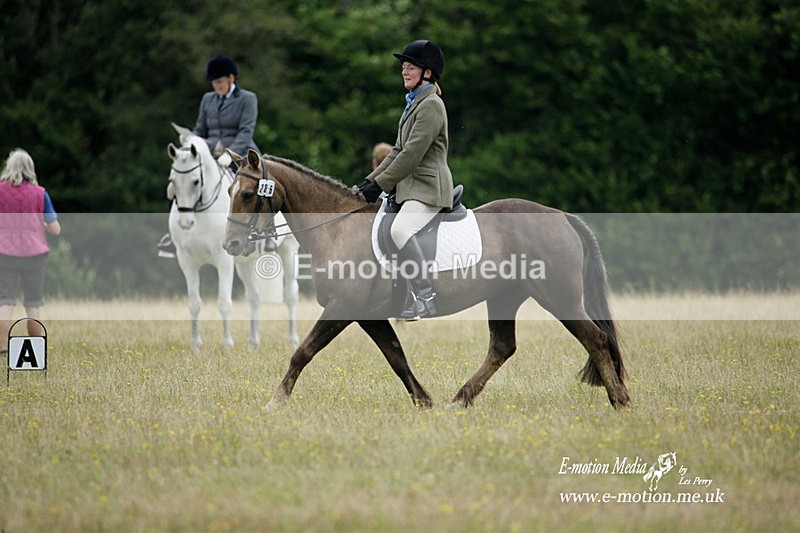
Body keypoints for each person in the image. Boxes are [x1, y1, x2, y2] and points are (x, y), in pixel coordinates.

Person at [358, 40, 453, 320]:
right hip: (411, 188)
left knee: (400, 230)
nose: (404, 71)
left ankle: (426, 297)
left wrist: (381, 185)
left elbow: (411, 155)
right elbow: (397, 151)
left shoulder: (431, 105)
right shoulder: (414, 103)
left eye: (411, 67)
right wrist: (369, 182)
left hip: (429, 188)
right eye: (403, 67)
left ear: (427, 73)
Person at [158, 54, 265, 257]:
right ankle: (173, 236)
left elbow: (246, 132)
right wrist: (190, 140)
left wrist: (230, 154)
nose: (217, 86)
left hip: (240, 152)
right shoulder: (208, 99)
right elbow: (201, 129)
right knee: (179, 182)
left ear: (231, 78)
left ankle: (265, 234)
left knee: (257, 185)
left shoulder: (247, 99)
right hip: (209, 151)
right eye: (214, 82)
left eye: (220, 81)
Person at [0, 148, 61, 355]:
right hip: (35, 253)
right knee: (33, 304)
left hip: (4, 252)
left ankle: (3, 347)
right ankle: (34, 351)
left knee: (5, 302)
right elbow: (56, 229)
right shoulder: (40, 193)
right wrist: (40, 224)